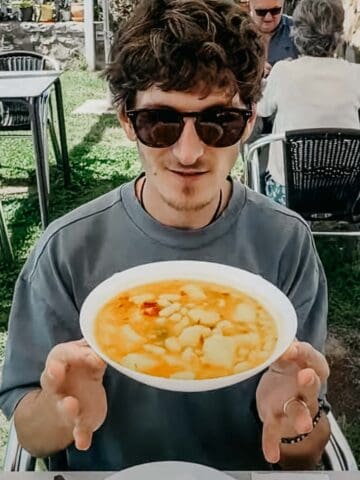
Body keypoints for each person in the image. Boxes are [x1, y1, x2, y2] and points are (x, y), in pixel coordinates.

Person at [0, 0, 330, 472]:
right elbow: (30, 434)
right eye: (160, 122)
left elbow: (305, 449)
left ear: (250, 123)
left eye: (219, 122)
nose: (190, 151)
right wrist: (60, 412)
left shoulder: (287, 244)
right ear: (126, 121)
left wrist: (292, 417)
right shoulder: (67, 251)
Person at [257, 0, 360, 205]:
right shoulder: (356, 74)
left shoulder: (283, 72)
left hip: (288, 194)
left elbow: (261, 108)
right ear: (338, 33)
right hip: (345, 193)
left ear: (298, 31)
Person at [249, 0, 298, 75]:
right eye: (261, 12)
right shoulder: (235, 32)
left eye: (275, 11)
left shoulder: (299, 31)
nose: (268, 18)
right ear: (250, 5)